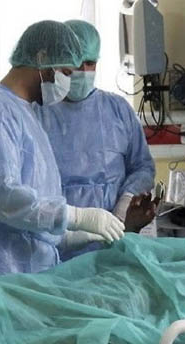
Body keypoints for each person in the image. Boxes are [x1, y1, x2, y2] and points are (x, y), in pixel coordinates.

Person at [0, 21, 125, 312]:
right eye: (66, 72)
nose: (67, 84)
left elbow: (31, 210)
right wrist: (76, 216)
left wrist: (71, 236)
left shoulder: (25, 113)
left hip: (21, 273)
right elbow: (5, 197)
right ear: (42, 59)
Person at [35, 20, 156, 260]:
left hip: (114, 242)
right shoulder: (37, 113)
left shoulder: (118, 110)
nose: (83, 70)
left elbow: (143, 167)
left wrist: (125, 204)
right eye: (75, 62)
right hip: (55, 248)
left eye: (90, 63)